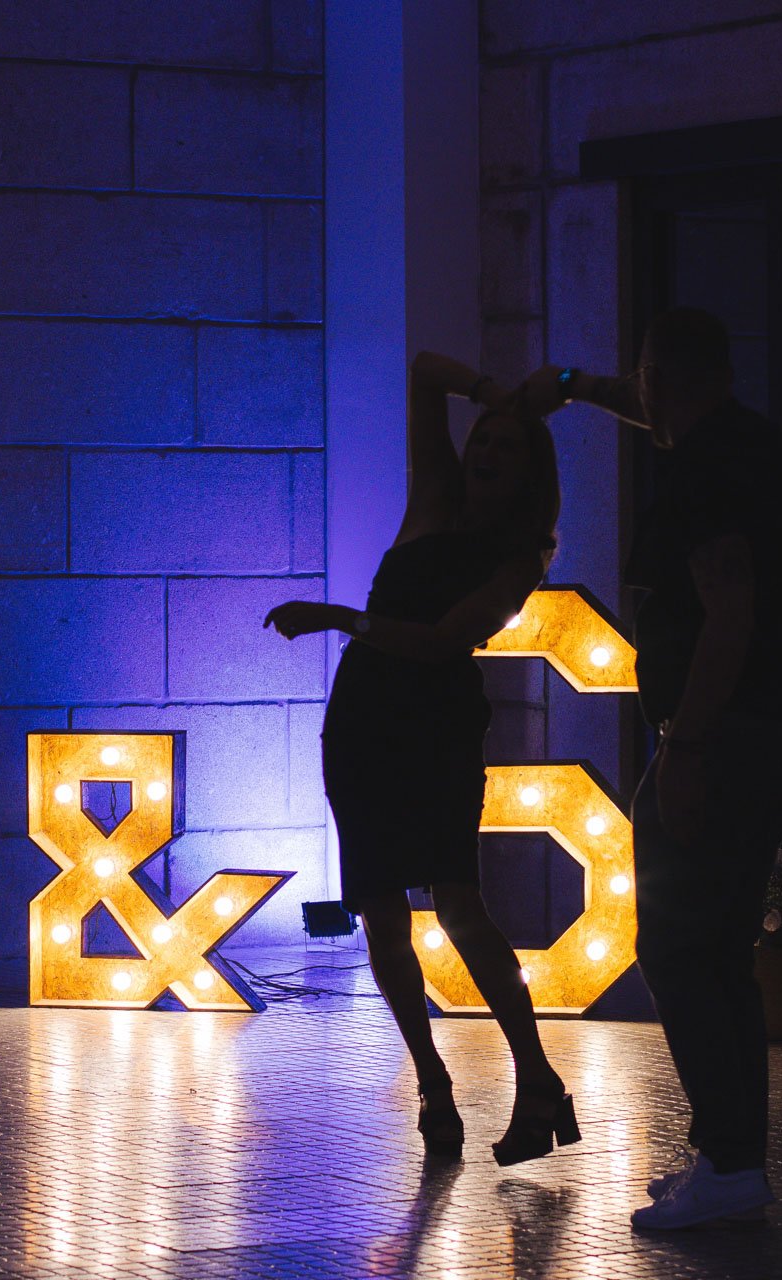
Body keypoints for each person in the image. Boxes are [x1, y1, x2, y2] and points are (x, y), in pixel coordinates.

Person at [512, 308, 782, 1230]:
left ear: (658, 377)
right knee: (719, 955)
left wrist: (686, 748)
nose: (636, 392)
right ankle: (731, 1158)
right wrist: (573, 388)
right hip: (756, 733)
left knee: (681, 951)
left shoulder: (705, 470)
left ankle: (730, 1162)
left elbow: (729, 613)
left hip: (717, 740)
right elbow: (658, 410)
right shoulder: (745, 441)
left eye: (640, 374)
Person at [264, 351, 576, 1166]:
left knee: (461, 905)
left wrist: (343, 619)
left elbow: (442, 642)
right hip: (364, 721)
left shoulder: (520, 559)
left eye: (508, 447)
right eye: (484, 439)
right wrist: (498, 393)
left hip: (435, 724)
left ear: (531, 473)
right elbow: (423, 371)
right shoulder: (433, 495)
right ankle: (433, 1083)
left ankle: (537, 1077)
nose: (487, 452)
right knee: (379, 908)